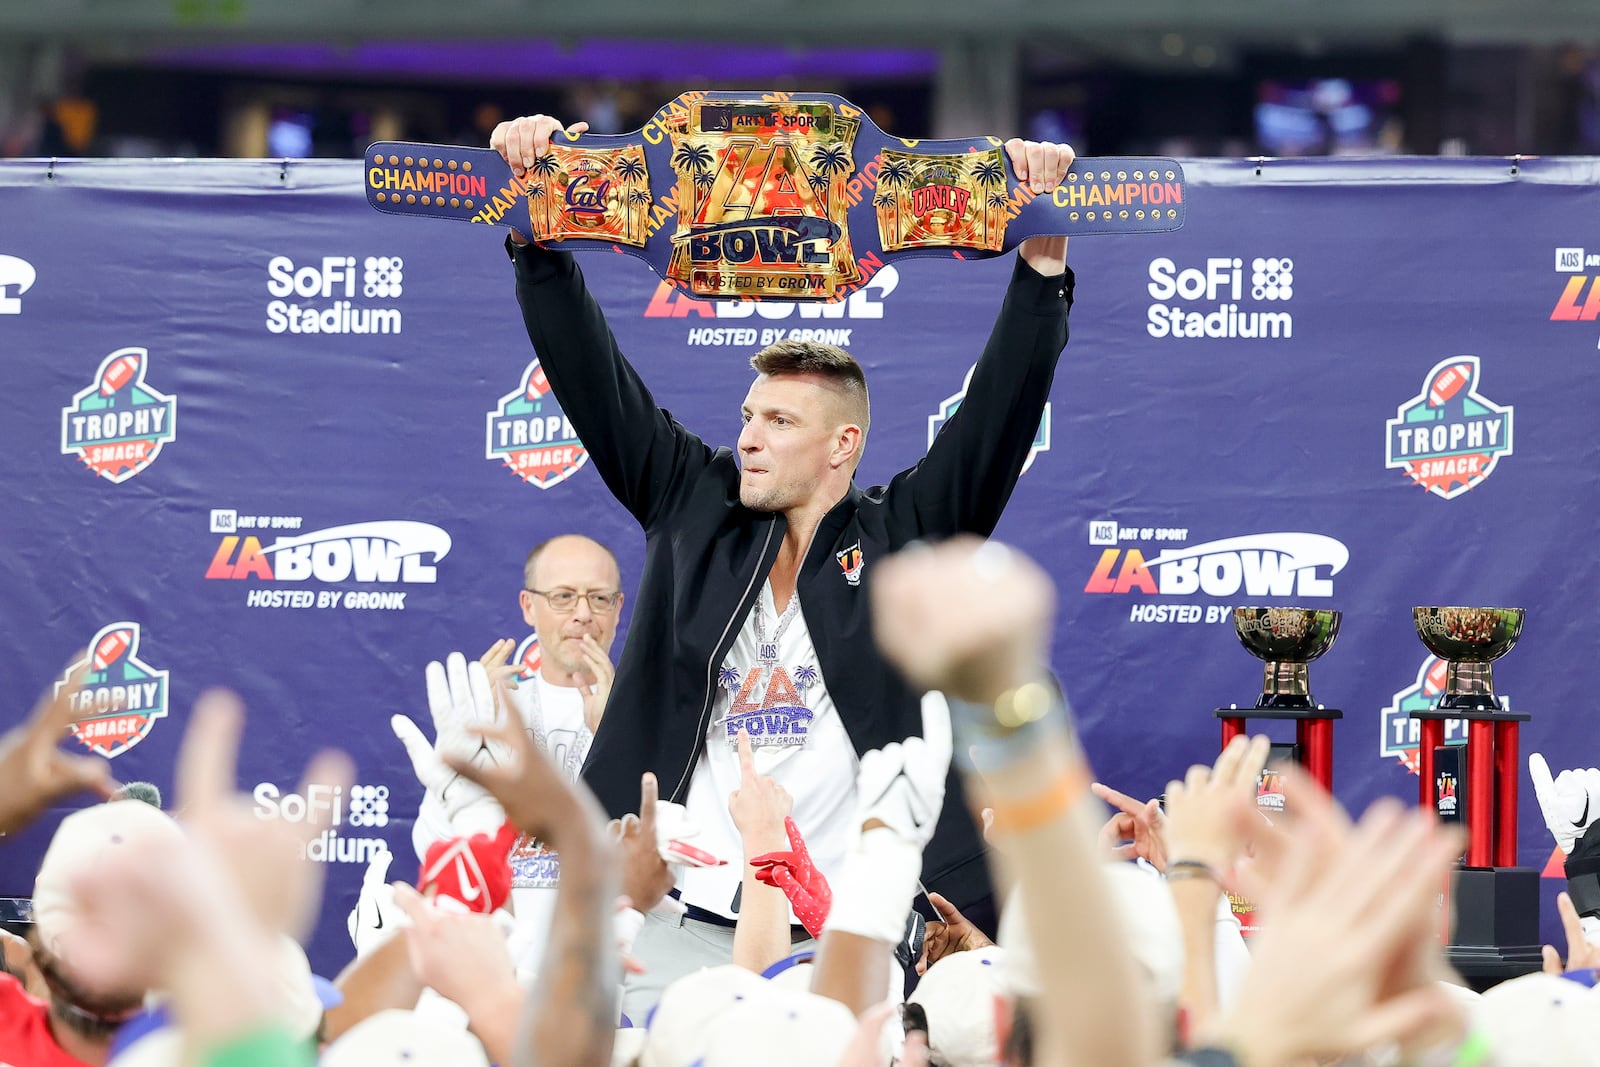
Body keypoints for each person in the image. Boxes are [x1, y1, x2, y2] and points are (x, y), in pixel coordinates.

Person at [490, 112, 1075, 1008]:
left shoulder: (903, 533)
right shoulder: (693, 502)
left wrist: (1039, 263)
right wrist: (539, 241)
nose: (749, 439)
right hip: (675, 916)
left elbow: (996, 417)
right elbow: (592, 377)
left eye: (779, 422)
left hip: (849, 931)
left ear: (843, 445)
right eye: (749, 417)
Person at [402, 533, 622, 959]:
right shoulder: (491, 713)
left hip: (603, 974)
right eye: (563, 597)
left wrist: (617, 737)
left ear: (618, 608)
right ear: (528, 606)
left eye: (599, 598)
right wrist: (462, 765)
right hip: (497, 959)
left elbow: (665, 867)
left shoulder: (649, 715)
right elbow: (433, 849)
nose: (582, 614)